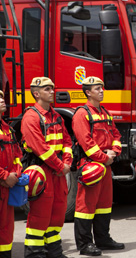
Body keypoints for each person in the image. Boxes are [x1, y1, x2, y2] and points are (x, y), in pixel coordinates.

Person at [72, 76, 125, 256]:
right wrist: (104, 157)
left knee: (104, 204)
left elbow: (116, 135)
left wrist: (114, 152)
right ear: (88, 92)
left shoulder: (105, 113)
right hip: (91, 165)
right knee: (86, 206)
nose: (102, 91)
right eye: (97, 89)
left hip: (105, 164)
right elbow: (86, 142)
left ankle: (103, 239)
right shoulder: (82, 113)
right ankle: (85, 244)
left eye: (102, 88)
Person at [21, 77, 73, 258]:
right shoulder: (31, 116)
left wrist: (67, 162)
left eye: (52, 88)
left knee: (57, 212)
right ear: (36, 93)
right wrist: (61, 166)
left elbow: (67, 141)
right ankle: (35, 253)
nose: (52, 92)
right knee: (40, 213)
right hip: (42, 170)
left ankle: (54, 251)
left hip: (57, 171)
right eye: (47, 89)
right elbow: (39, 148)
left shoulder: (56, 115)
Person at [0, 90, 22, 258]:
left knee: (6, 228)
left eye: (1, 97)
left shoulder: (8, 130)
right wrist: (4, 176)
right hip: (3, 181)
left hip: (7, 185)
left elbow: (18, 156)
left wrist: (15, 173)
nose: (2, 100)